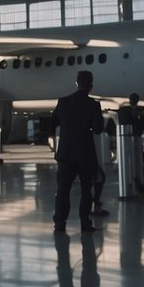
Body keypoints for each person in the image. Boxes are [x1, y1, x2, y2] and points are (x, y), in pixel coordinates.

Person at [53, 70, 104, 234]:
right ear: (91, 85)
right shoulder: (94, 105)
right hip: (85, 153)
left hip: (66, 153)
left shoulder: (63, 102)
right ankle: (85, 224)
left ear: (77, 82)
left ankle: (60, 224)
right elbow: (97, 129)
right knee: (85, 190)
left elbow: (53, 122)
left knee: (63, 190)